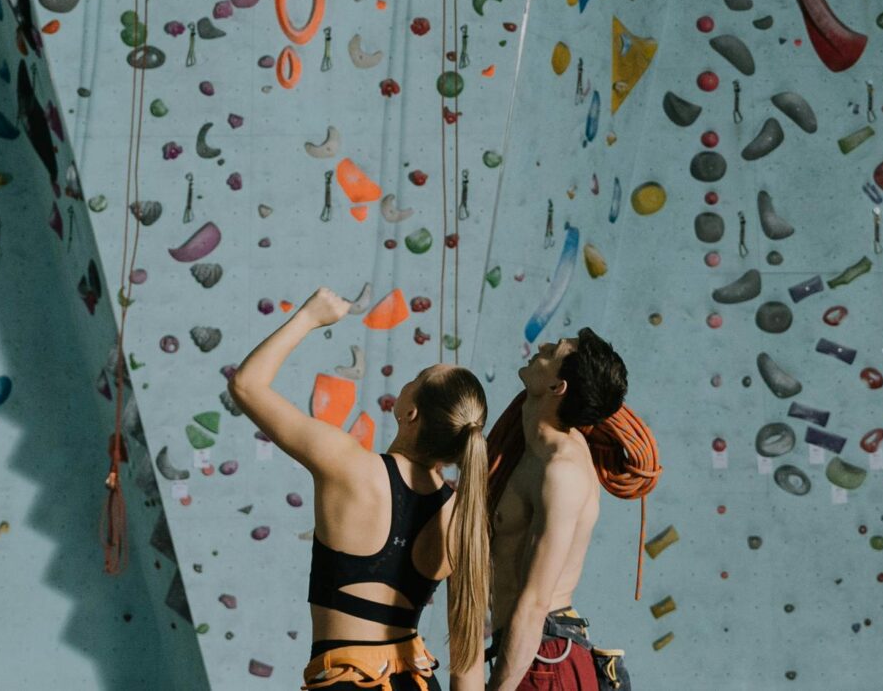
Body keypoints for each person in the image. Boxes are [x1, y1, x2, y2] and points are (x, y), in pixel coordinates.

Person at [231, 287, 492, 691]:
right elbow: (469, 662)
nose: (408, 381)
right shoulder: (464, 516)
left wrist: (309, 317)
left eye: (416, 379)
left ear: (410, 412)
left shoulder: (349, 466)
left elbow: (247, 385)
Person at [482, 328, 655, 691]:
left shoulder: (561, 471)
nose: (542, 347)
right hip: (530, 655)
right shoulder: (531, 449)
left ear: (557, 387)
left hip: (543, 661)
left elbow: (534, 602)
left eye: (553, 351)